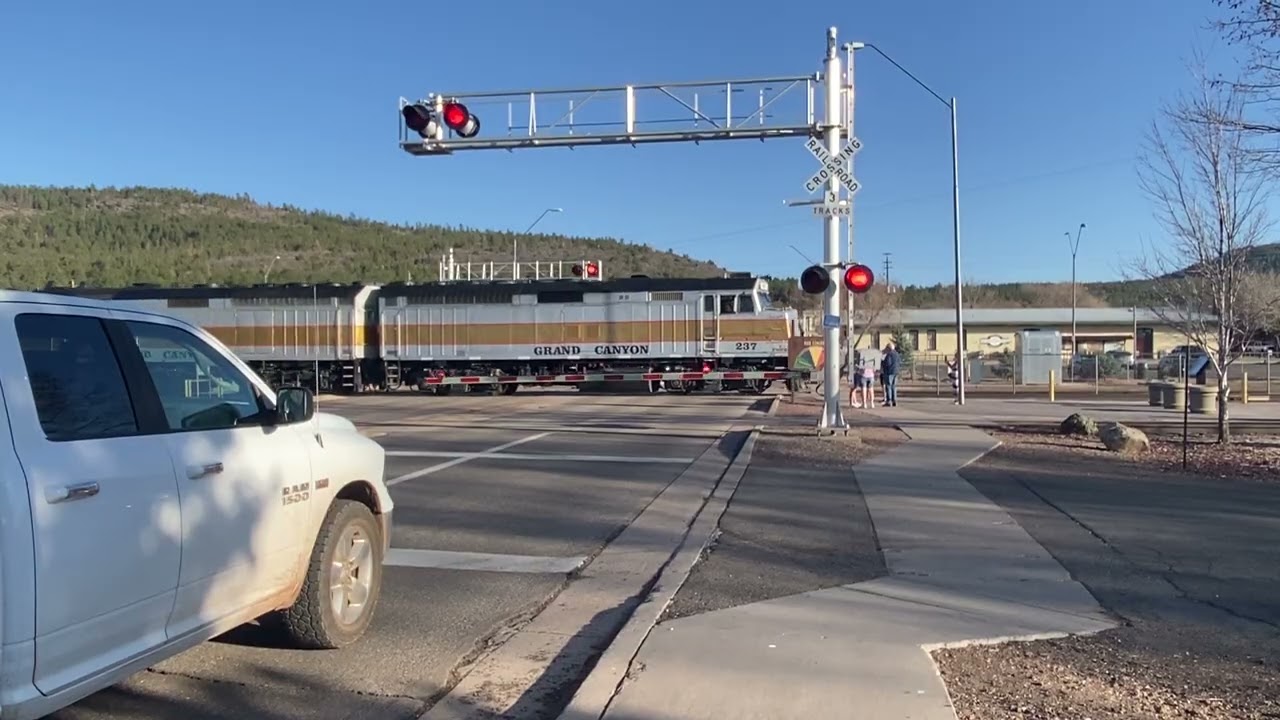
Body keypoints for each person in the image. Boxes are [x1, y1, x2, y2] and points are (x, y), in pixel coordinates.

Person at [880, 341, 900, 407]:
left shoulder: (889, 354)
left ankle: (889, 401)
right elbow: (899, 362)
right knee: (894, 386)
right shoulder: (897, 354)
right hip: (896, 372)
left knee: (888, 386)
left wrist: (882, 363)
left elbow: (887, 363)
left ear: (888, 348)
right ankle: (894, 400)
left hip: (889, 372)